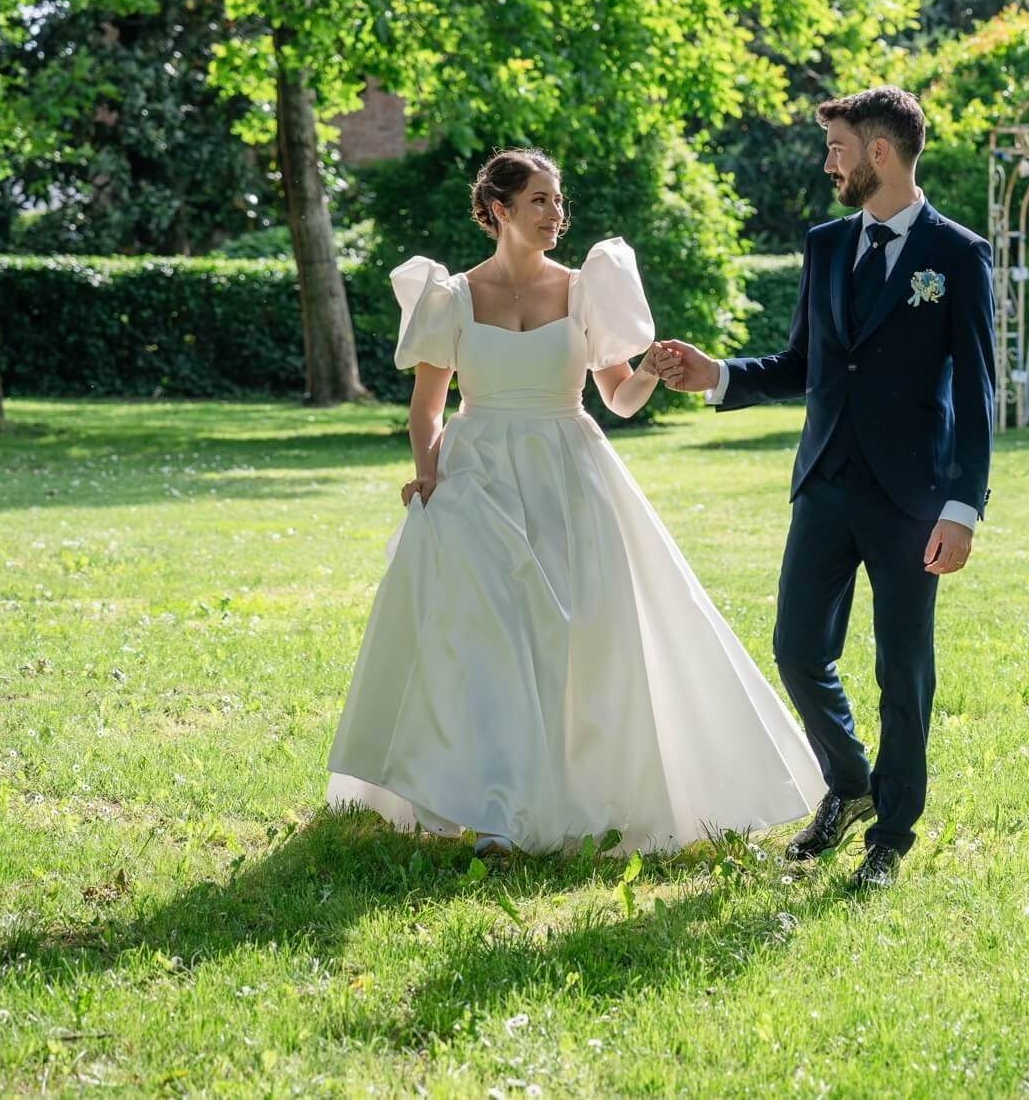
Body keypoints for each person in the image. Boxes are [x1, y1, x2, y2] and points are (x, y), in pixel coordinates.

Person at [326, 148, 821, 857]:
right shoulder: (452, 297)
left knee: (573, 638)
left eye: (559, 202)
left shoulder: (586, 290)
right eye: (540, 201)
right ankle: (497, 813)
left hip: (568, 474)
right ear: (498, 210)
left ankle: (569, 791)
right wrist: (429, 474)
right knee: (493, 640)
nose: (557, 215)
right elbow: (426, 409)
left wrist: (648, 371)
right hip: (481, 481)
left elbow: (616, 398)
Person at [657, 86, 994, 889]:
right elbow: (804, 362)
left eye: (838, 147)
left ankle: (893, 833)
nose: (827, 162)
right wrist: (720, 375)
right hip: (825, 485)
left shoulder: (957, 254)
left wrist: (962, 508)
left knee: (903, 668)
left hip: (913, 500)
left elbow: (978, 392)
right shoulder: (825, 244)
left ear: (880, 152)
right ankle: (848, 783)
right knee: (798, 649)